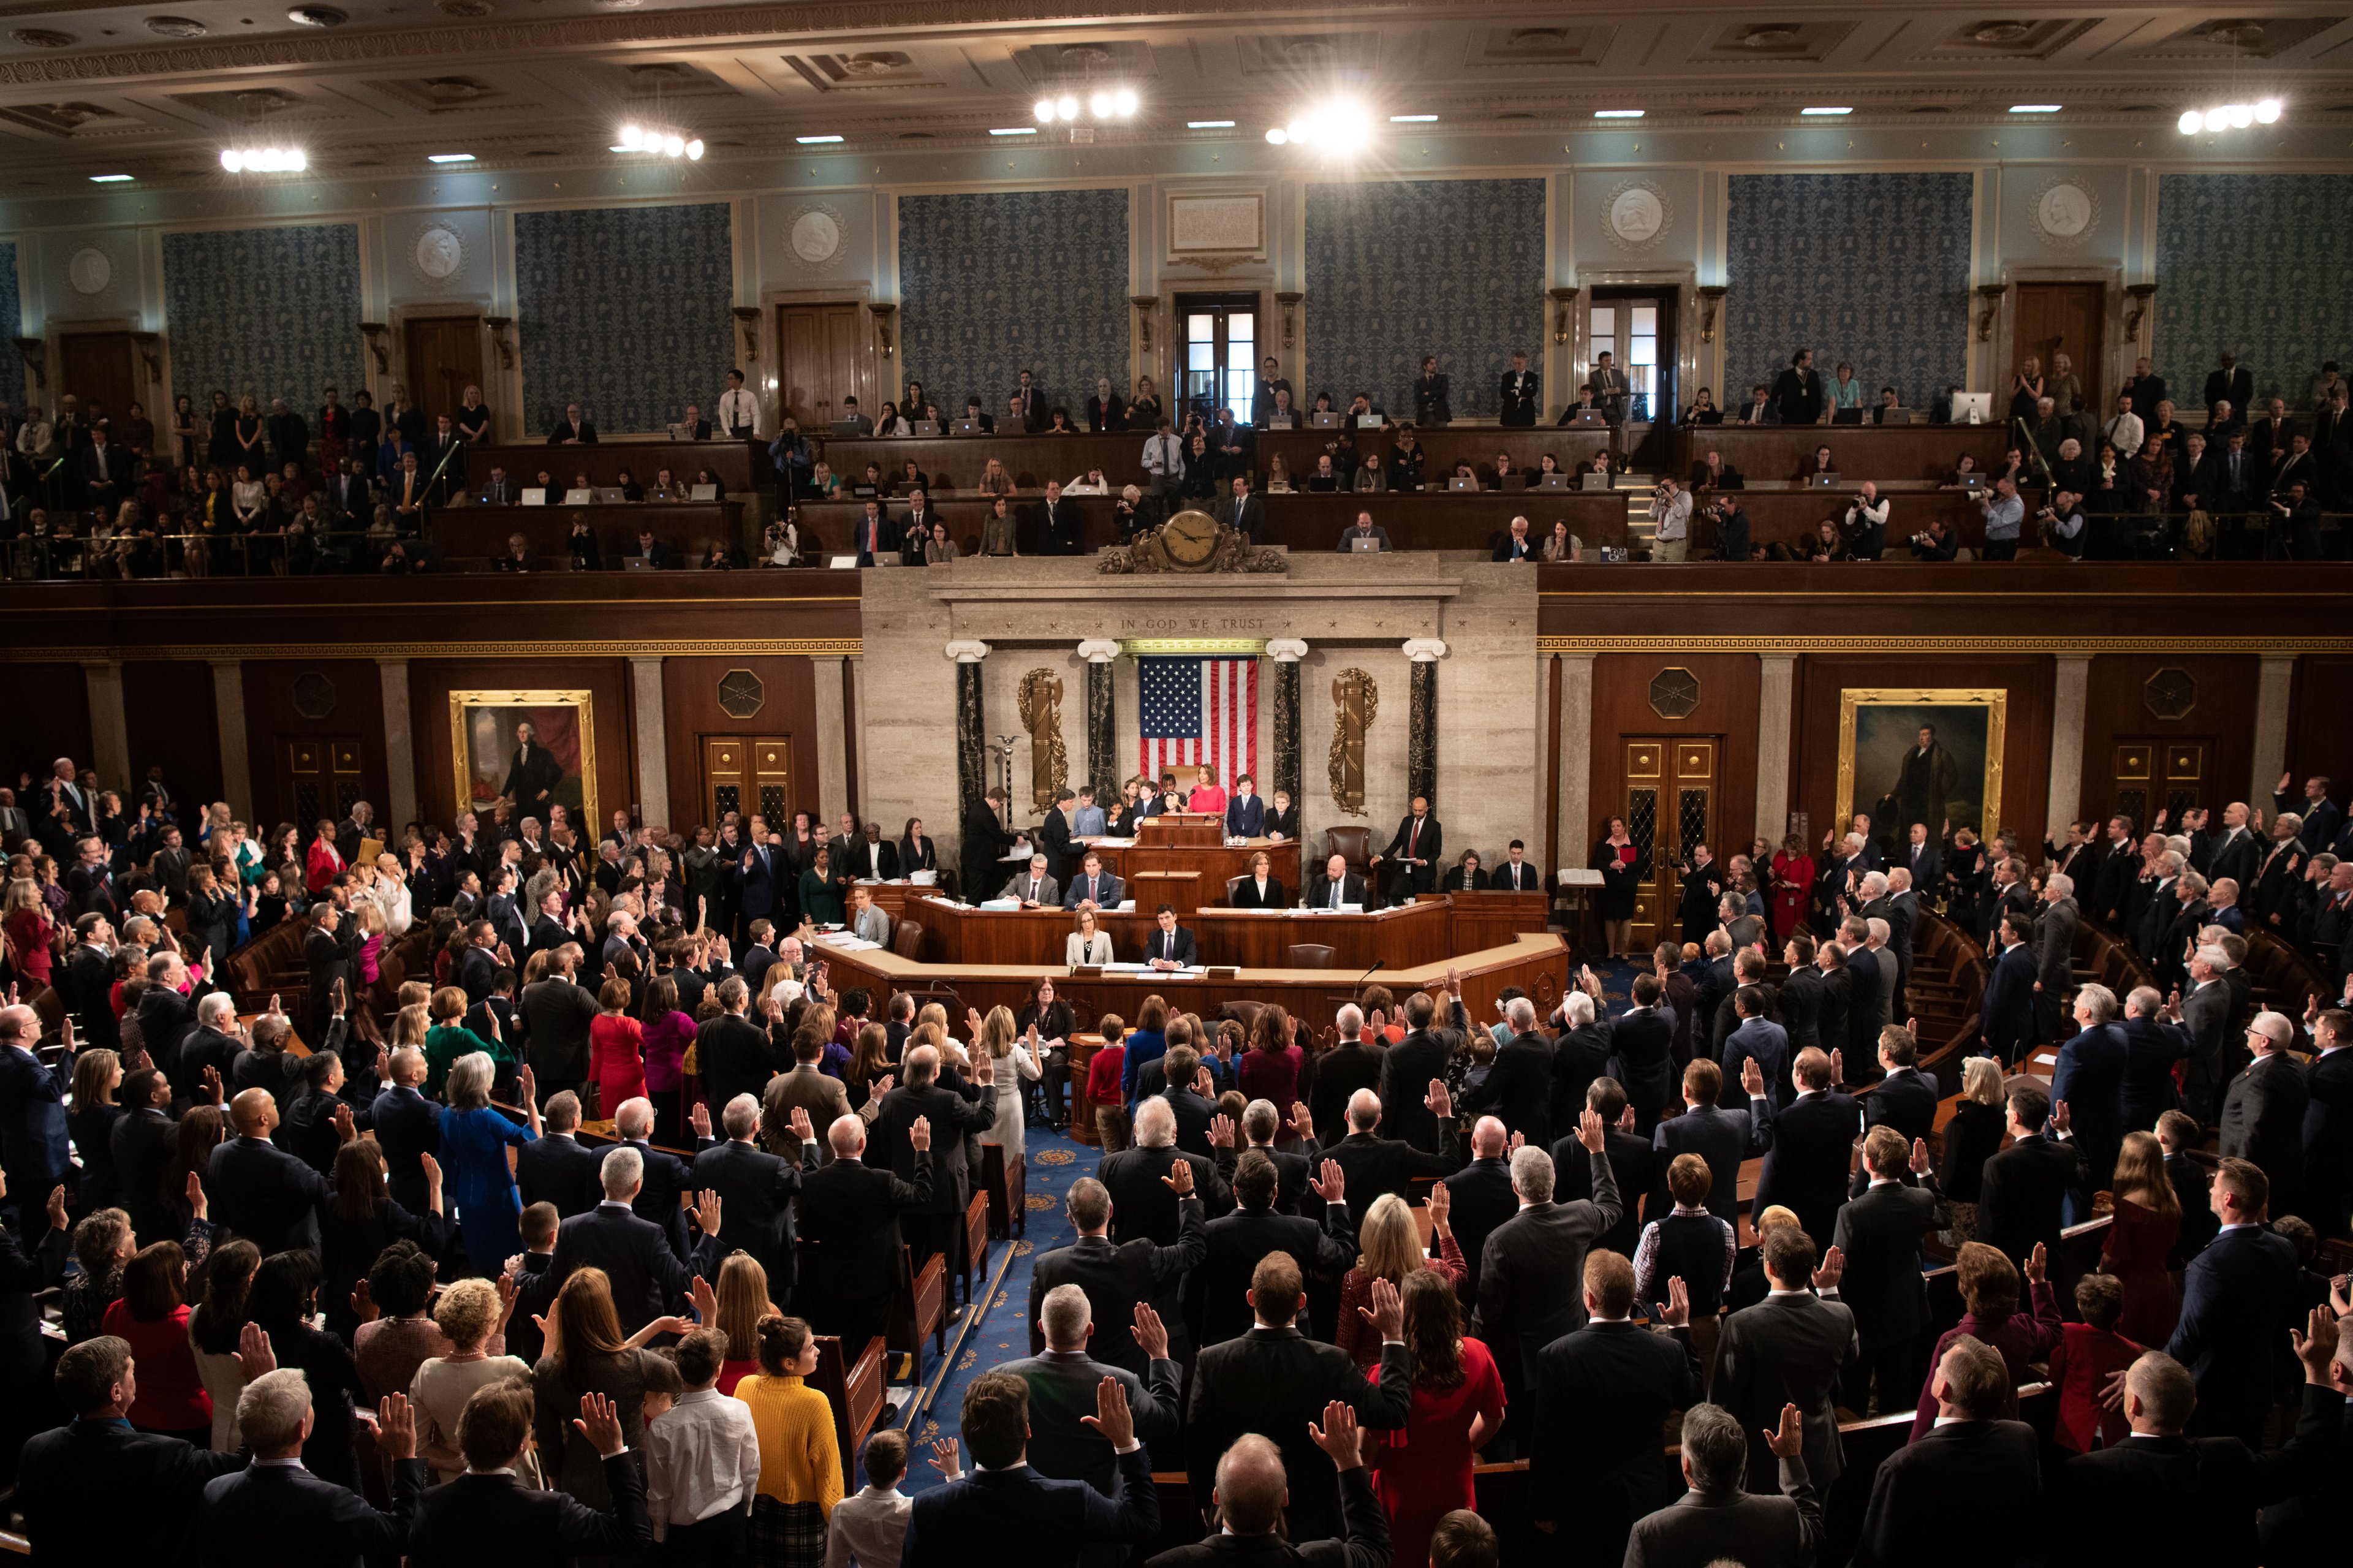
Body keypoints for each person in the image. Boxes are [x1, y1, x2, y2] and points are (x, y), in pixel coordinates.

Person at [2056, 1328, 2346, 1568]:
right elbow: (2309, 1461)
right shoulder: (2227, 1458)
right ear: (2193, 1405)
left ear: (2132, 1405)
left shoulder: (2085, 1473)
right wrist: (2318, 1370)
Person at [1185, 1252, 1409, 1542]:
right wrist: (1392, 1335)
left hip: (1236, 1519)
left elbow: (1196, 1442)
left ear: (1251, 1298)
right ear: (1302, 1303)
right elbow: (1393, 1411)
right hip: (1314, 1528)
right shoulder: (1332, 1363)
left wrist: (1207, 1500)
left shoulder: (1213, 1362)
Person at [1525, 1251, 1698, 1567]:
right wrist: (1681, 1329)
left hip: (1583, 1507)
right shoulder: (1668, 1351)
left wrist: (1543, 1507)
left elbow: (1547, 1440)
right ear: (1632, 1298)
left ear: (1588, 1299)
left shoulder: (1557, 1357)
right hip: (1647, 1500)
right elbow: (1694, 1400)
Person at [903, 1370, 1160, 1568]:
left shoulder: (929, 1507)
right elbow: (1143, 1521)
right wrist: (1125, 1443)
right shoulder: (1071, 1498)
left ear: (967, 1437)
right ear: (1027, 1431)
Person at [193, 1369, 427, 1568]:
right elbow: (404, 1533)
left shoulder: (215, 1491)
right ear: (301, 1428)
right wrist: (404, 1456)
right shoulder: (331, 1501)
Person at [1850, 1336, 2040, 1568]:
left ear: (1944, 1390)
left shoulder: (1903, 1467)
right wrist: (1999, 1386)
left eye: (1940, 1365)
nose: (1936, 1369)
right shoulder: (2023, 1437)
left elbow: (1874, 1558)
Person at [1833, 1126, 1949, 1415]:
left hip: (1863, 1320)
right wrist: (1925, 1174)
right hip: (1904, 1312)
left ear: (1868, 1164)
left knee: (1854, 1399)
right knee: (1897, 1397)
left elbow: (1844, 1275)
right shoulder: (1921, 1200)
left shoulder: (1852, 1212)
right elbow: (1944, 1217)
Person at [1623, 1401, 1819, 1568]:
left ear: (1687, 1465)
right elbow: (1814, 1536)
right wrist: (1791, 1458)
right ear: (1742, 1461)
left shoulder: (1650, 1533)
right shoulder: (1783, 1515)